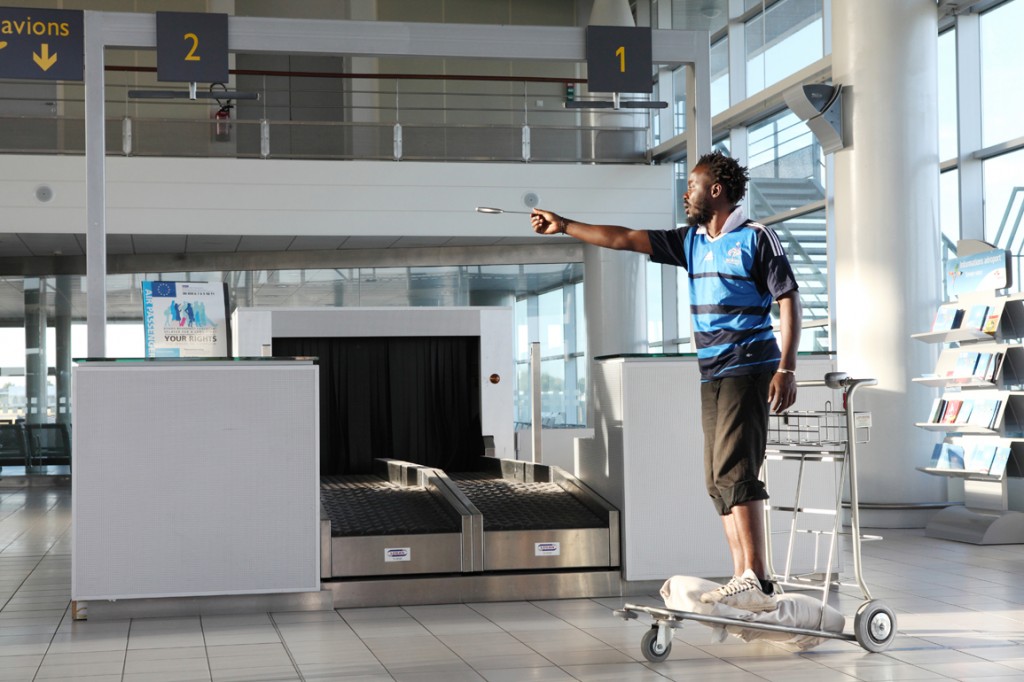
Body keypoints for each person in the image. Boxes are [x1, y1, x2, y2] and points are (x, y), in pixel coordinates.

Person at [530, 151, 801, 613]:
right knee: (717, 480)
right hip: (712, 370)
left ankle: (757, 577)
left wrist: (787, 368)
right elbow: (623, 239)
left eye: (692, 185)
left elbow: (789, 300)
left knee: (736, 470)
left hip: (749, 364)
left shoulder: (757, 239)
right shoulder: (691, 241)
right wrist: (566, 225)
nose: (685, 193)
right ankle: (743, 576)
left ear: (715, 190)